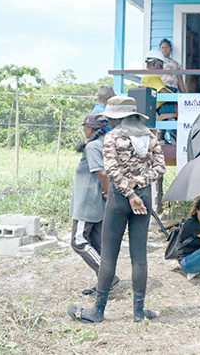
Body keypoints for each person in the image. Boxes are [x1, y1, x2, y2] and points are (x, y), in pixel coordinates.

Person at [67, 96, 166, 324]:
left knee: (110, 254)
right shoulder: (149, 136)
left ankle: (98, 311)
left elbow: (111, 170)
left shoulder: (112, 137)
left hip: (119, 198)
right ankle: (139, 313)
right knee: (139, 256)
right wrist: (139, 183)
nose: (109, 122)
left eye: (110, 118)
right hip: (144, 198)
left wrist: (128, 193)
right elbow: (159, 168)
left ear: (117, 118)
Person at [70, 113, 119, 294]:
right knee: (97, 243)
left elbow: (102, 174)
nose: (84, 130)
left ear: (89, 129)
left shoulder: (92, 147)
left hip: (87, 202)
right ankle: (105, 284)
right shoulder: (104, 144)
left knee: (79, 240)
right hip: (96, 201)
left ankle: (107, 276)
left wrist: (107, 192)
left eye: (85, 127)